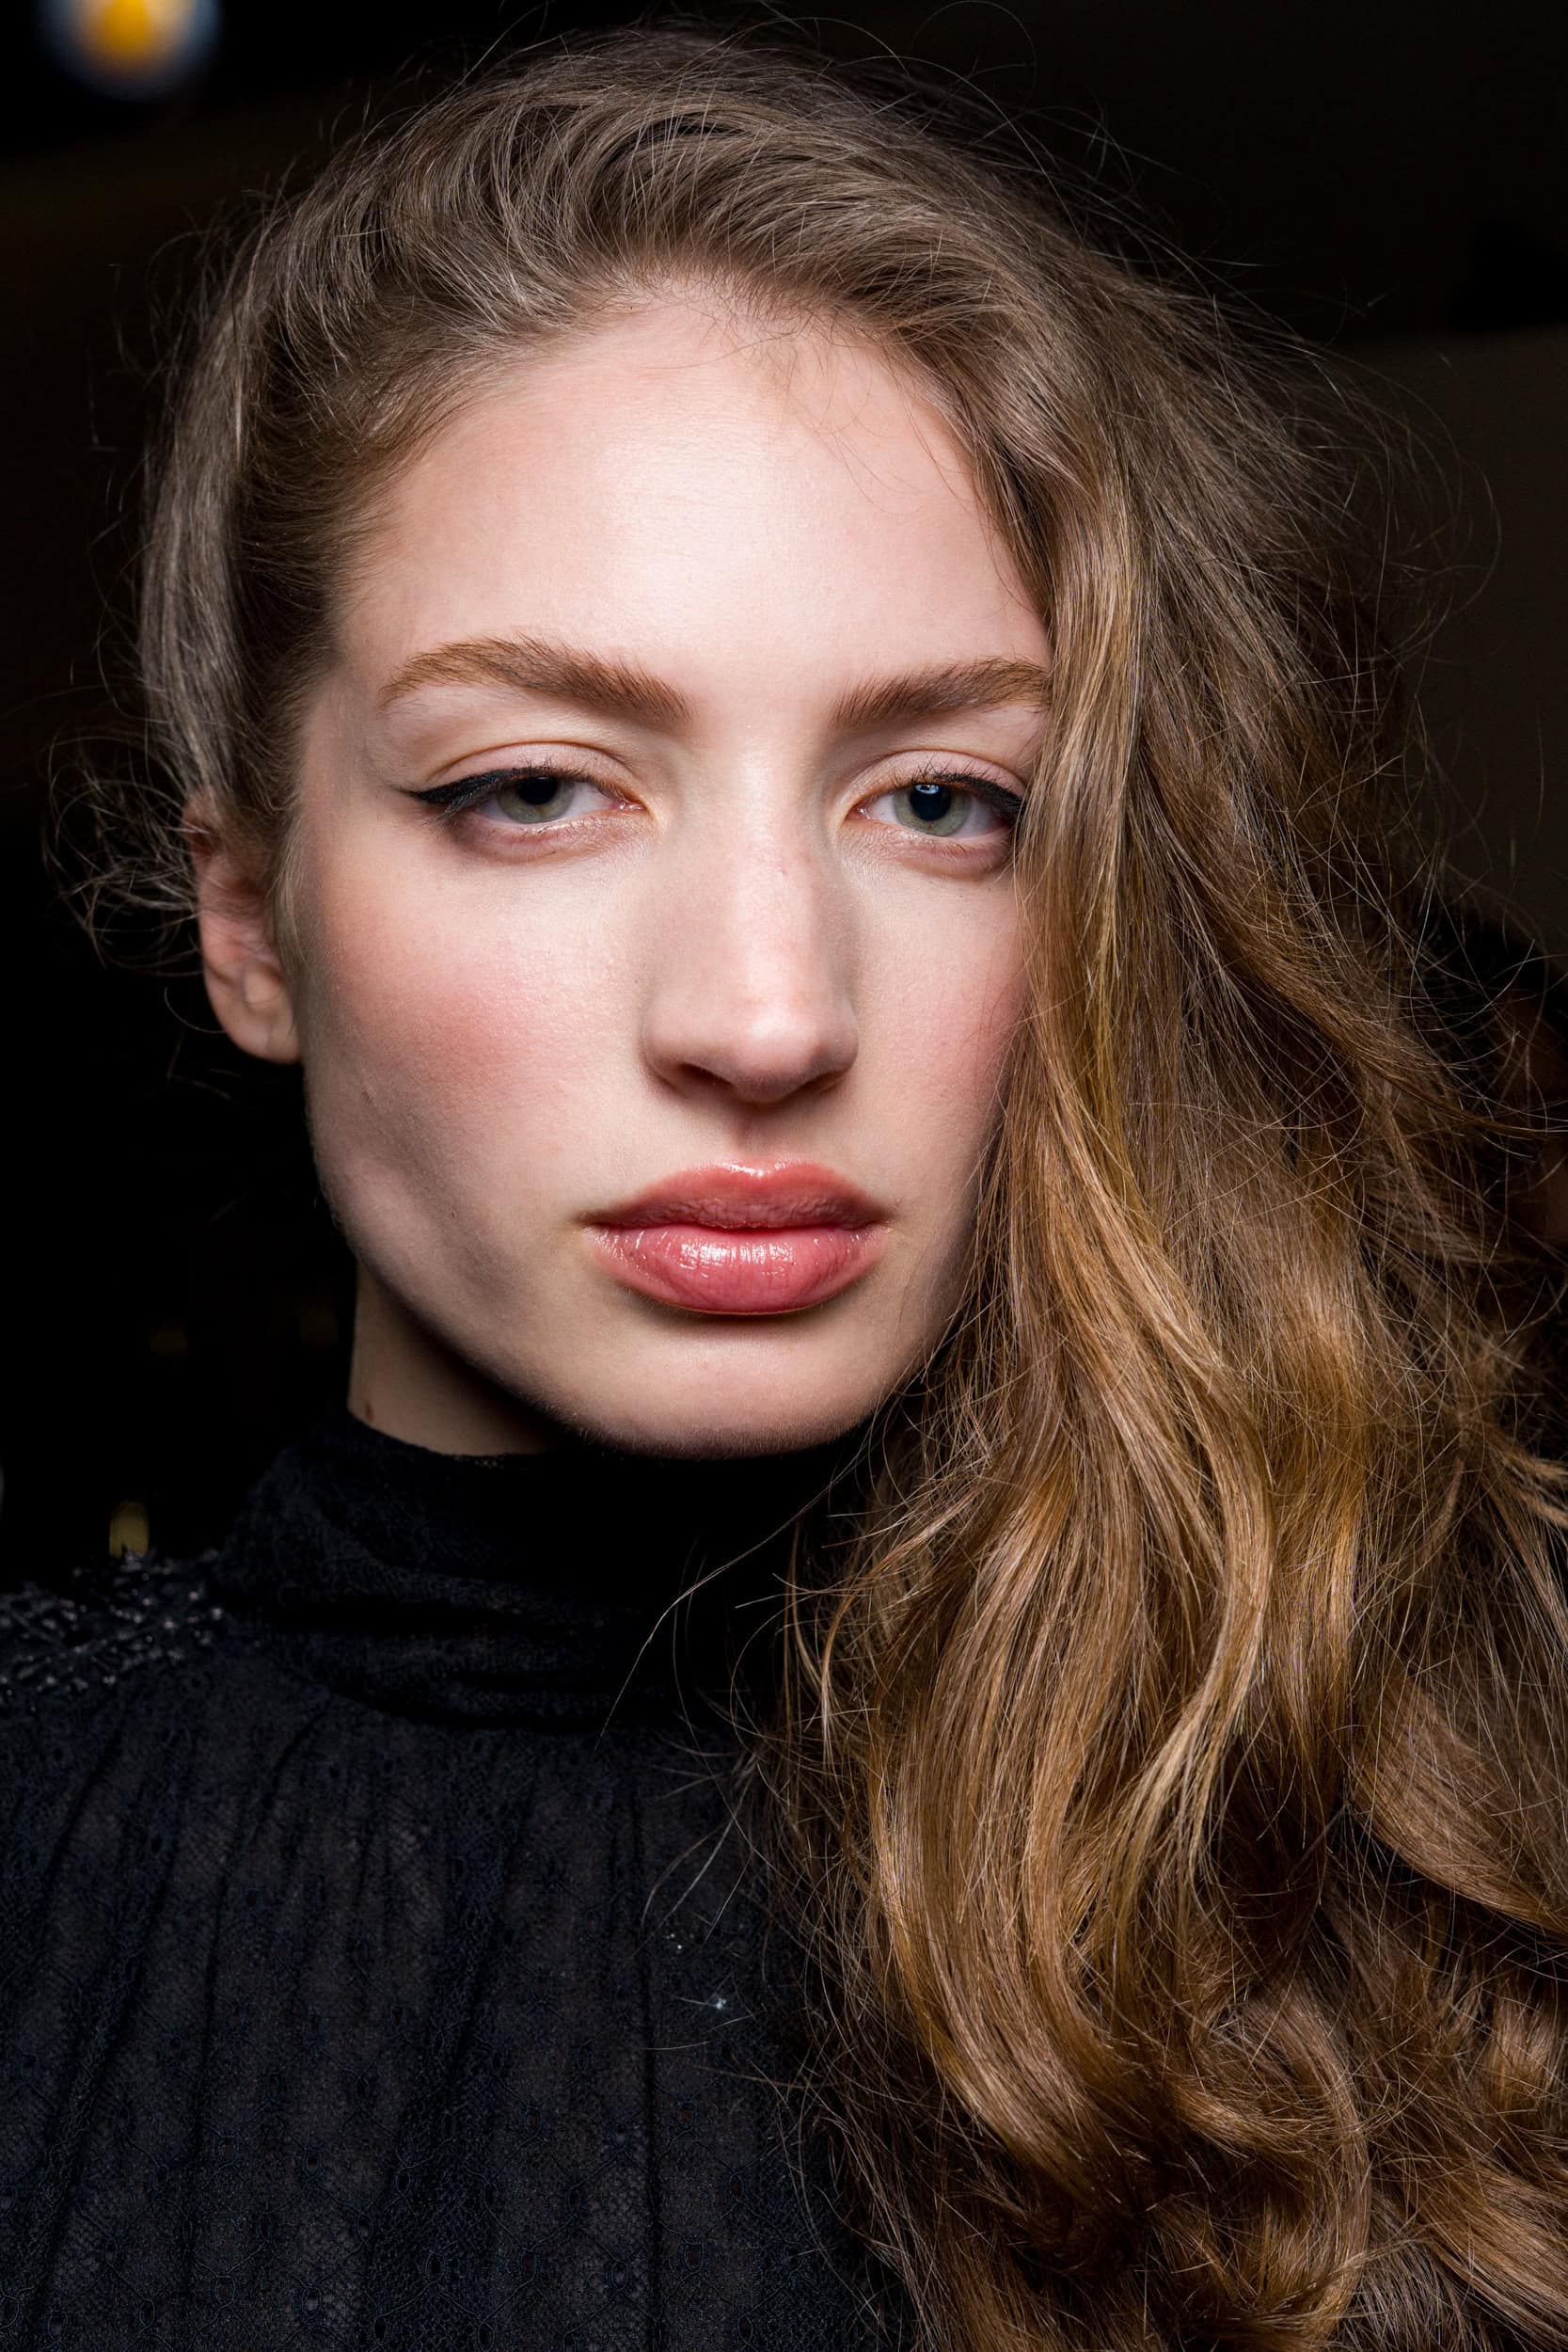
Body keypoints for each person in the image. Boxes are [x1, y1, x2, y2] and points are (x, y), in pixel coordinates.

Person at [6, 17, 1568, 2349]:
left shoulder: (1432, 1854)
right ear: (250, 923)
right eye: (538, 787)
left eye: (942, 801)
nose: (764, 1013)